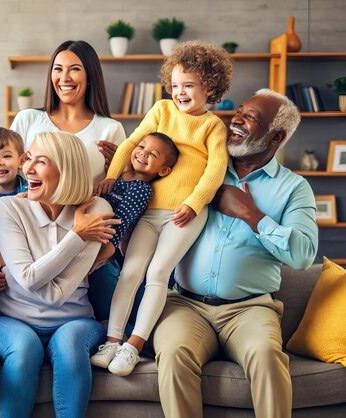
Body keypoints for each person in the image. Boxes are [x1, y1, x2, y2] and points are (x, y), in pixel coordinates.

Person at [151, 89, 318, 418]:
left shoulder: (294, 188)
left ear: (276, 137)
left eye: (250, 117)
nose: (236, 119)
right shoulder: (201, 167)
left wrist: (251, 215)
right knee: (172, 353)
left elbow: (302, 255)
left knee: (268, 357)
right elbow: (154, 174)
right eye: (238, 111)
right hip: (185, 304)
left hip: (250, 310)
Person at [91, 41, 232, 376]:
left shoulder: (213, 126)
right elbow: (130, 142)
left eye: (189, 86)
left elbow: (216, 169)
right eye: (176, 85)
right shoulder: (161, 111)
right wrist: (113, 176)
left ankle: (133, 347)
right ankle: (113, 340)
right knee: (130, 272)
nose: (179, 92)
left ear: (209, 88)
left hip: (185, 215)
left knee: (157, 274)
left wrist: (194, 204)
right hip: (149, 212)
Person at [0, 131, 121, 418]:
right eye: (28, 159)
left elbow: (54, 295)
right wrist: (77, 235)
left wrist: (83, 235)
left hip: (74, 319)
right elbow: (30, 279)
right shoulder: (9, 207)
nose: (28, 169)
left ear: (66, 169)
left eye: (41, 161)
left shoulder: (97, 209)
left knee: (71, 346)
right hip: (11, 319)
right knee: (23, 349)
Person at [7, 39, 126, 320]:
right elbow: (4, 175)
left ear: (90, 76)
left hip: (85, 240)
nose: (64, 77)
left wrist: (120, 168)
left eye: (74, 69)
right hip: (31, 237)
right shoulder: (27, 120)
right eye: (58, 69)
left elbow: (122, 194)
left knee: (114, 298)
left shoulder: (110, 129)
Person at [91, 132, 179, 272]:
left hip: (110, 248)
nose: (143, 154)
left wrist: (98, 258)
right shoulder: (120, 174)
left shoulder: (141, 189)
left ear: (163, 170)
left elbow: (119, 224)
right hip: (94, 234)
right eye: (141, 146)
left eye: (153, 154)